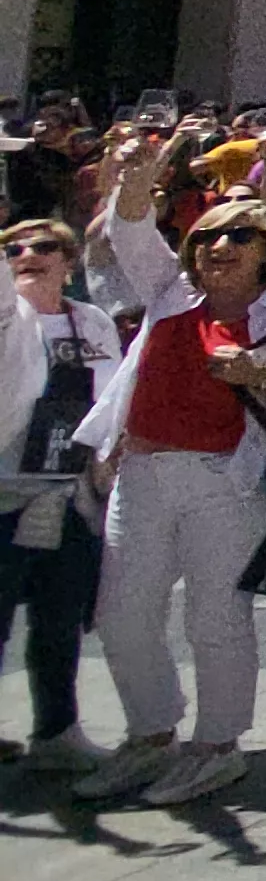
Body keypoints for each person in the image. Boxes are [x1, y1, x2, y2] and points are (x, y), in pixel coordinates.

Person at [69, 197, 266, 806]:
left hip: (228, 482)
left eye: (239, 236)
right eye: (207, 237)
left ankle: (218, 747)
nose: (218, 247)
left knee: (214, 618)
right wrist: (133, 187)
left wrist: (265, 377)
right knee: (121, 613)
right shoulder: (171, 292)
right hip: (142, 474)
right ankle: (152, 731)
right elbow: (132, 234)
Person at [0, 215, 114, 774]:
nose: (26, 253)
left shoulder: (92, 322)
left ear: (69, 264)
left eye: (44, 246)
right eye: (12, 247)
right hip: (5, 494)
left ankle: (57, 729)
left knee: (60, 616)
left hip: (70, 494)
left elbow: (113, 395)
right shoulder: (6, 320)